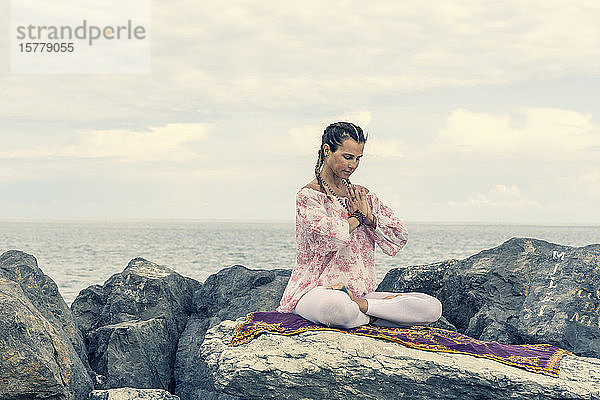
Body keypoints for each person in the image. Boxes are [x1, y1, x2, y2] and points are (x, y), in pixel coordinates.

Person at [276, 122, 442, 329]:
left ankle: (362, 308)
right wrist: (357, 218)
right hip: (315, 291)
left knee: (432, 307)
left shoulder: (362, 196)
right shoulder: (308, 196)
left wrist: (371, 217)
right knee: (337, 309)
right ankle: (374, 316)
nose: (353, 165)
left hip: (360, 293)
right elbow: (327, 240)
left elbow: (399, 238)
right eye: (348, 157)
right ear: (327, 150)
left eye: (358, 158)